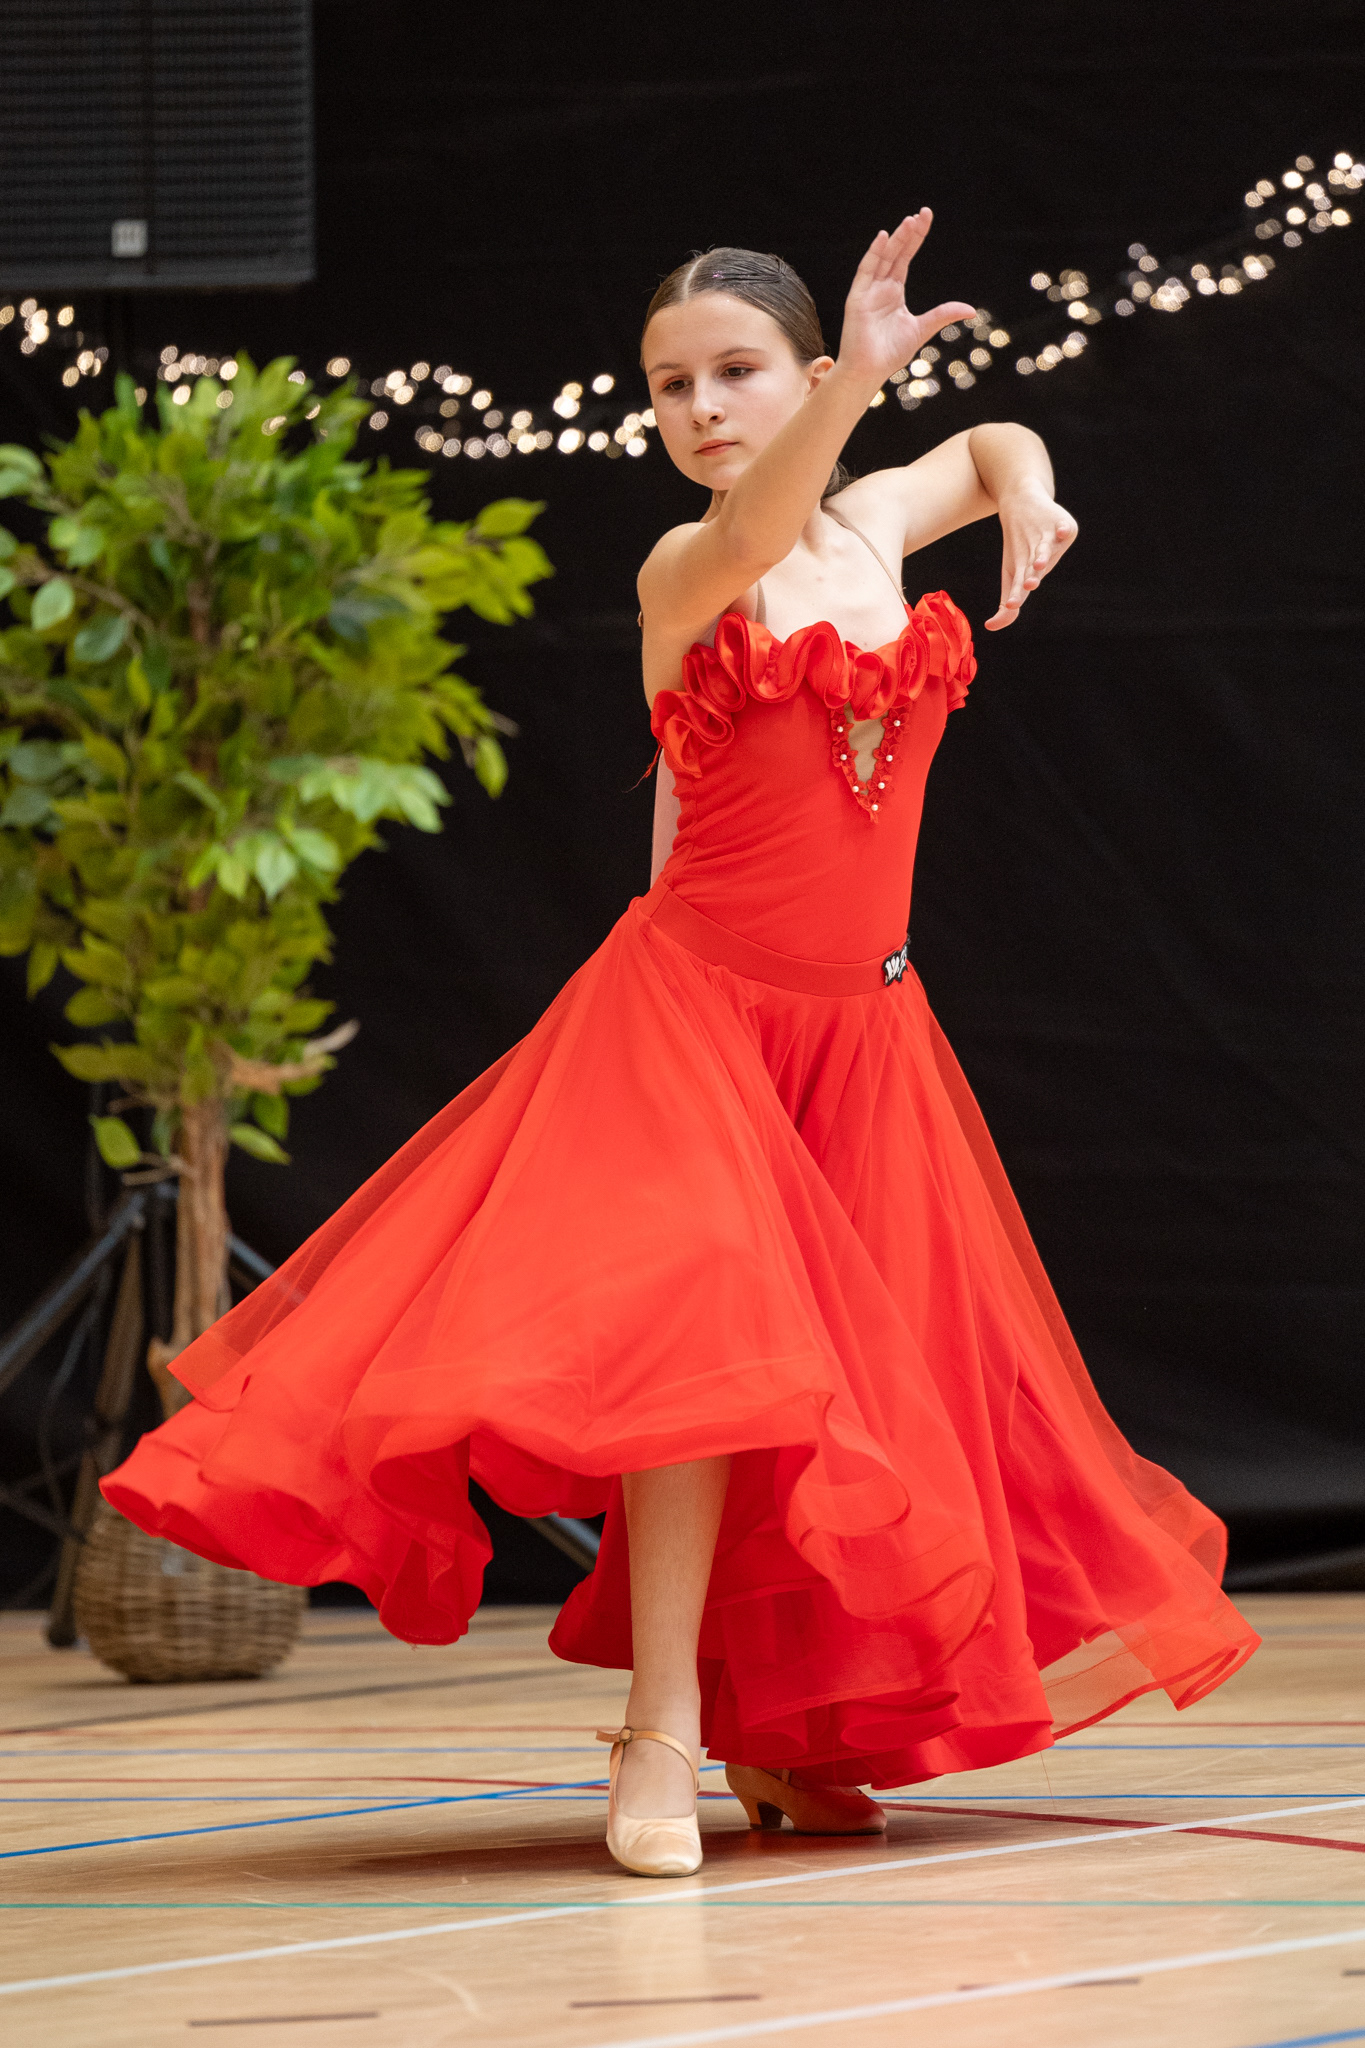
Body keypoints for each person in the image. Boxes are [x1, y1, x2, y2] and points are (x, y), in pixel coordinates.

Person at [104, 213, 1259, 1883]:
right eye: (669, 385)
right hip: (694, 1020)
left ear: (796, 371)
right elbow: (761, 522)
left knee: (862, 1401)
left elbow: (987, 439)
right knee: (702, 1381)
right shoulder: (685, 562)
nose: (701, 407)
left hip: (862, 1033)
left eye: (734, 372)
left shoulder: (874, 524)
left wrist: (1026, 487)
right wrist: (852, 386)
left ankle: (790, 1734)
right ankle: (656, 1732)